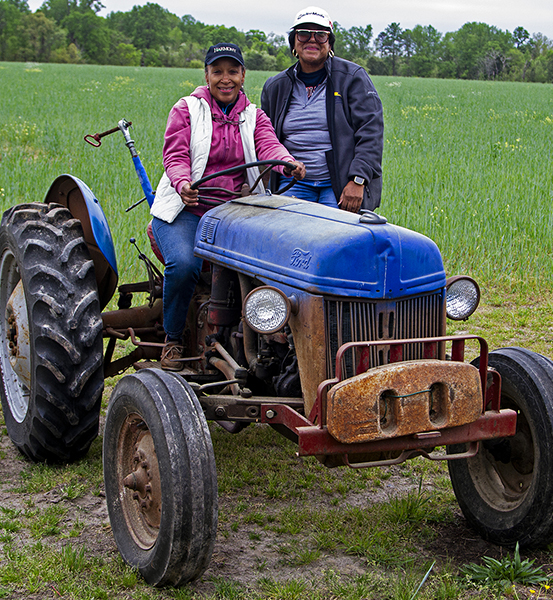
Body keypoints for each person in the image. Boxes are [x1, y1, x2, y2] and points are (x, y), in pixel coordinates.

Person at [150, 42, 305, 370]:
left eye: (232, 71)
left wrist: (286, 161)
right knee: (183, 265)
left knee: (283, 261)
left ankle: (276, 338)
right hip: (188, 210)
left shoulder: (253, 116)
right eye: (217, 71)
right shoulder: (187, 109)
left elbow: (269, 145)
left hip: (237, 215)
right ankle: (173, 339)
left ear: (243, 75)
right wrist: (182, 184)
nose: (225, 78)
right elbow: (175, 155)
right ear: (206, 75)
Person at [261, 6, 383, 213]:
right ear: (294, 42)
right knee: (288, 237)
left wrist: (358, 179)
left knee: (336, 238)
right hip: (294, 182)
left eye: (320, 35)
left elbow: (371, 133)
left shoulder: (352, 78)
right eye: (304, 34)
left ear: (329, 43)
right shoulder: (276, 87)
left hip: (340, 183)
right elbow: (265, 137)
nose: (312, 40)